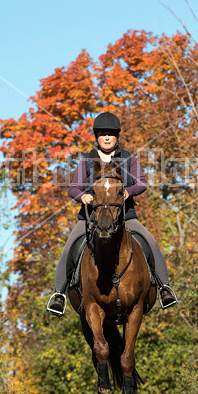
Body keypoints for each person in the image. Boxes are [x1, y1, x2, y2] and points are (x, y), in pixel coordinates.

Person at [48, 112, 178, 315]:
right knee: (68, 249)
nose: (107, 137)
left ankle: (164, 288)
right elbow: (73, 188)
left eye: (111, 134)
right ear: (96, 137)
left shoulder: (128, 158)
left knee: (151, 243)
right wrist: (83, 197)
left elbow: (141, 183)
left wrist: (128, 192)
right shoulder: (87, 160)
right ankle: (59, 295)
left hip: (125, 218)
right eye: (102, 134)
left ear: (117, 136)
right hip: (90, 219)